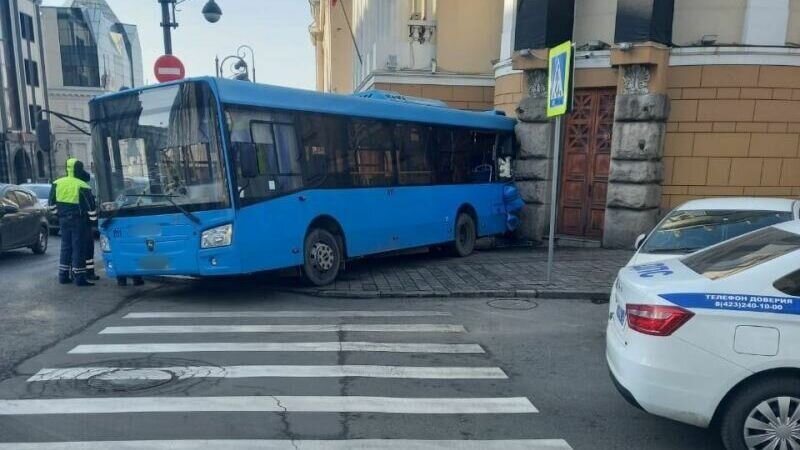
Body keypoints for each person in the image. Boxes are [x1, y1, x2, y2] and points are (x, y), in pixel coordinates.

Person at [49, 158, 95, 287]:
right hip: (78, 220)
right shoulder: (82, 185)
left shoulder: (57, 183)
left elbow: (51, 204)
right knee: (78, 247)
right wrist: (92, 220)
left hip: (63, 219)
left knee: (66, 246)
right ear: (79, 169)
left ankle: (63, 275)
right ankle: (79, 277)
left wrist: (58, 215)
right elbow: (90, 206)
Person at [76, 169, 99, 281]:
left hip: (73, 221)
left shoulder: (70, 186)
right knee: (88, 248)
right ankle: (89, 273)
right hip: (85, 222)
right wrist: (94, 222)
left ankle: (77, 271)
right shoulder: (84, 188)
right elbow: (91, 207)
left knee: (76, 247)